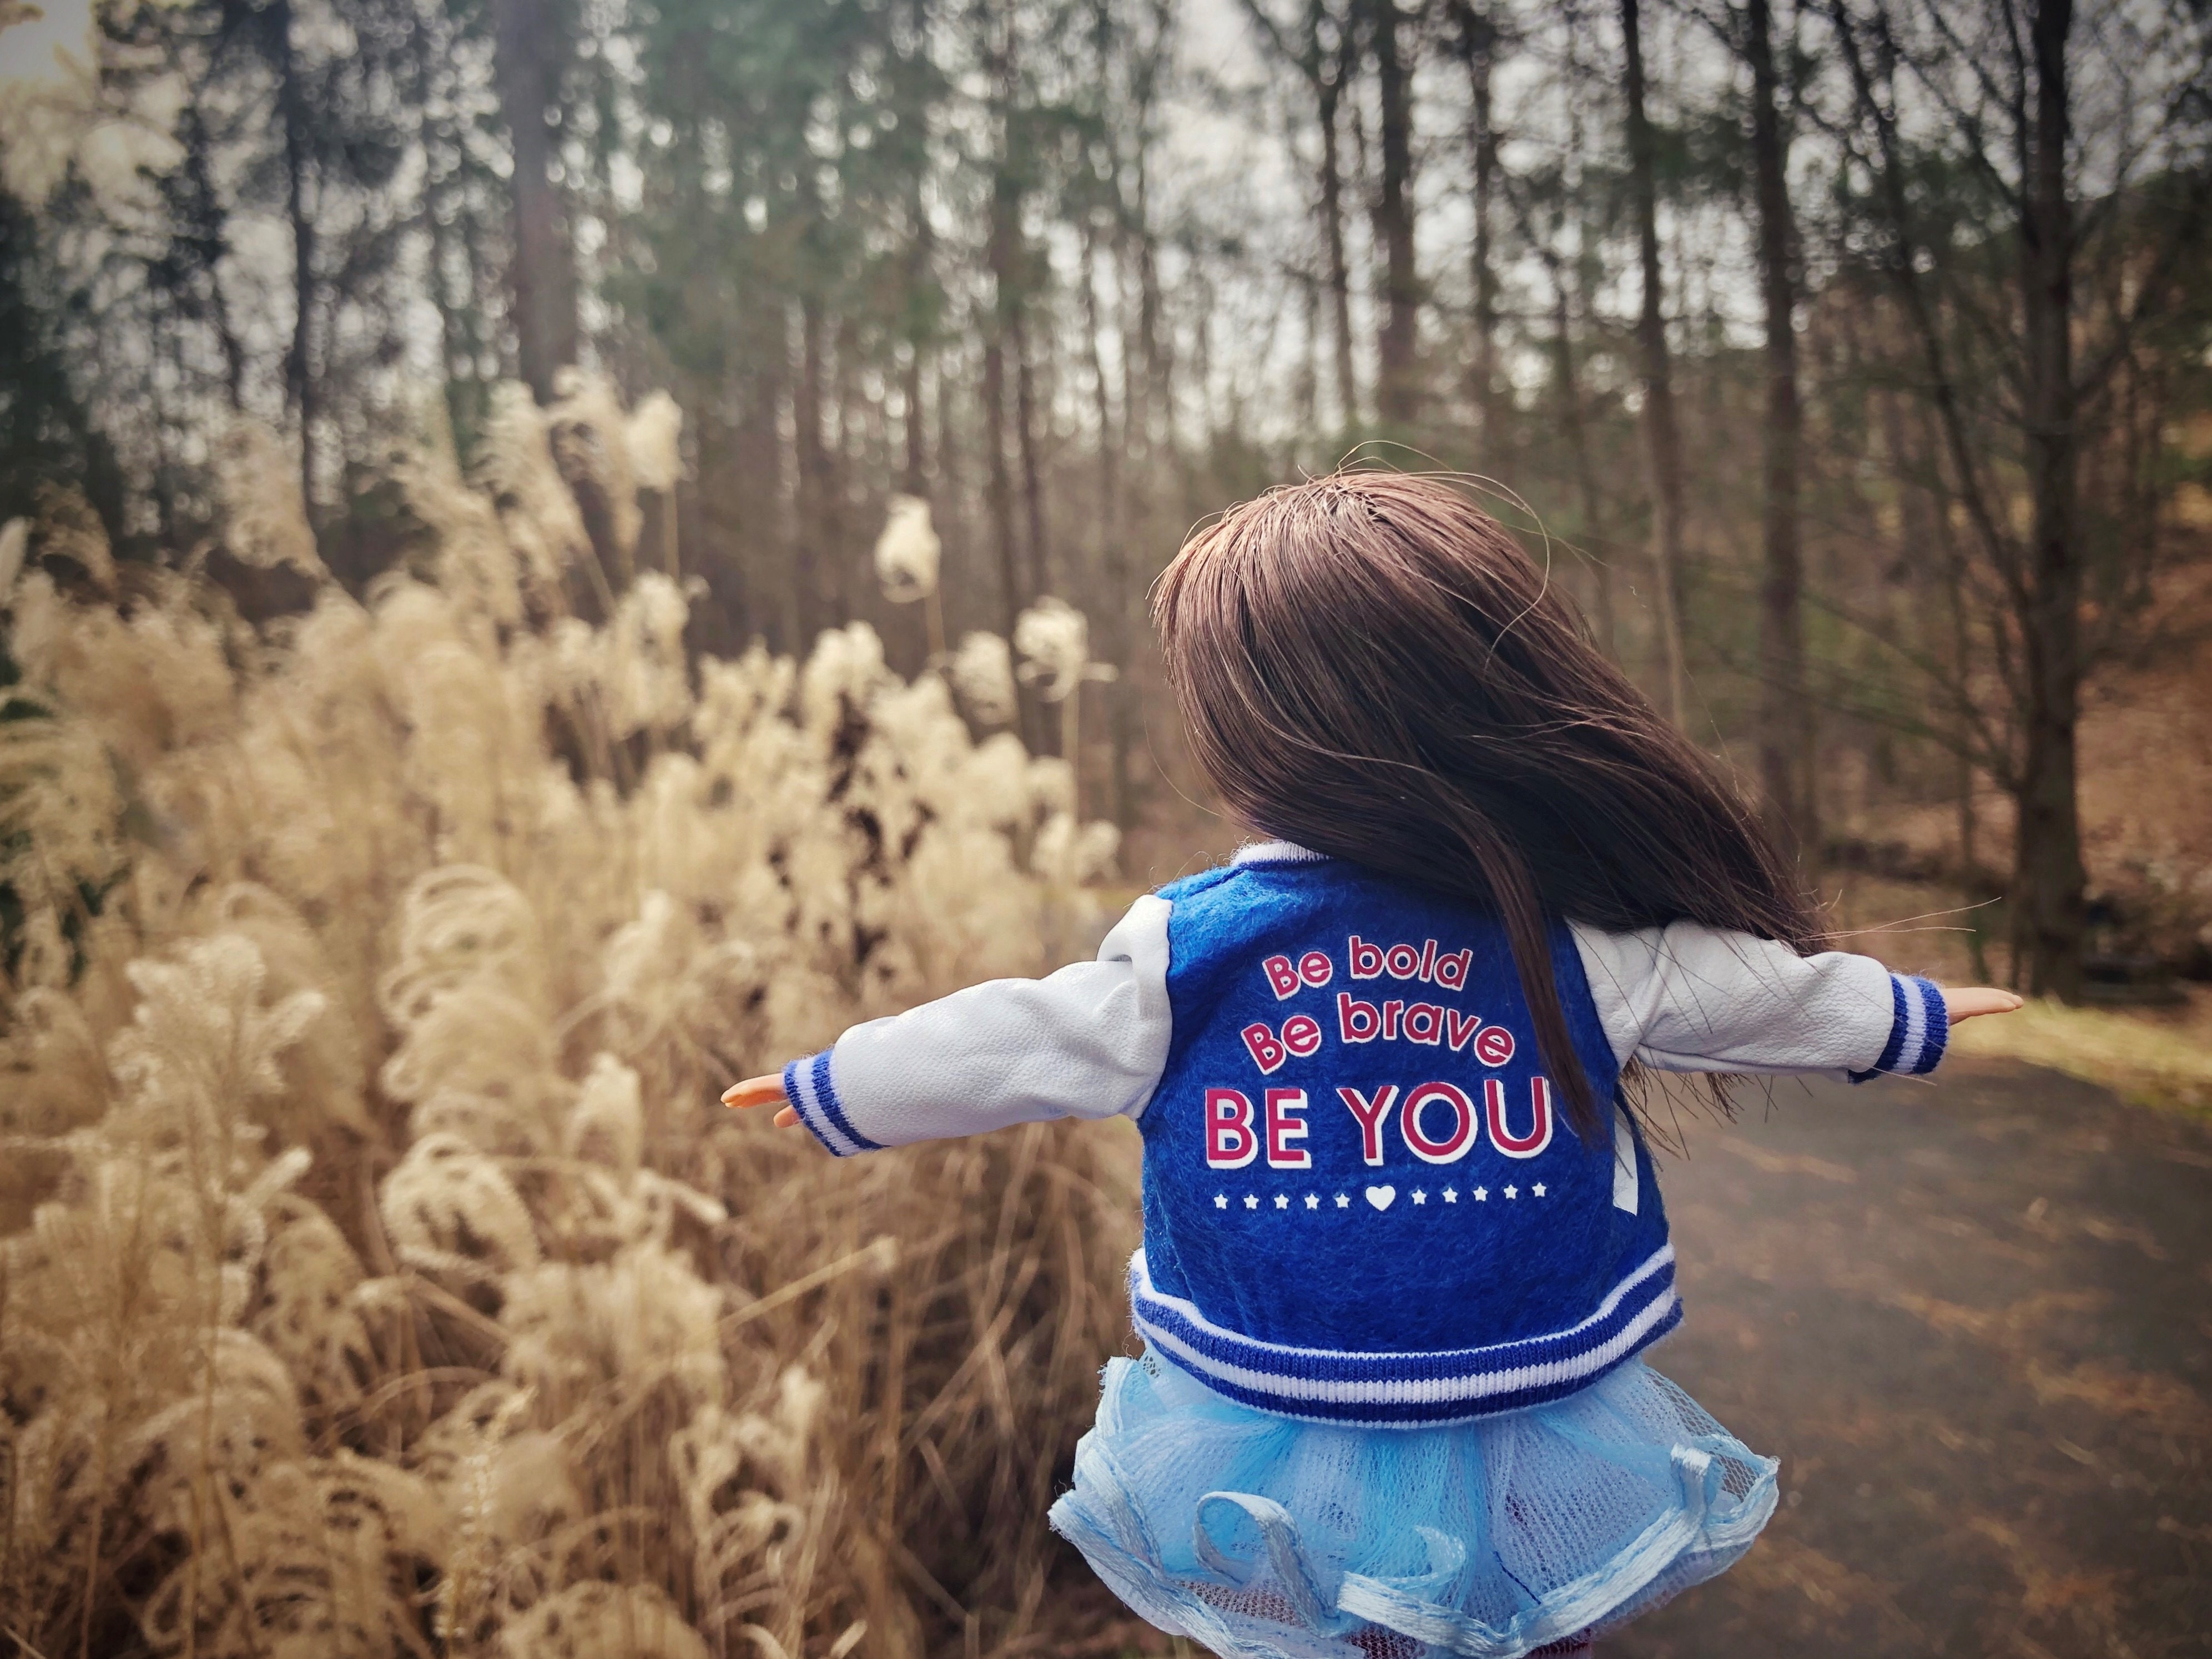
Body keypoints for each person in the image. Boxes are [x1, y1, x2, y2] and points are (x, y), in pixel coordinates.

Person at [721, 472, 2021, 1657]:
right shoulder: (1204, 949)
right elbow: (1021, 1036)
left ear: (1278, 732)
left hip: (1459, 1394)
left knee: (1453, 1625)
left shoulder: (1517, 938)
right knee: (1488, 1624)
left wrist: (1894, 1014)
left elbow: (1732, 990)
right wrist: (851, 1085)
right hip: (1328, 1402)